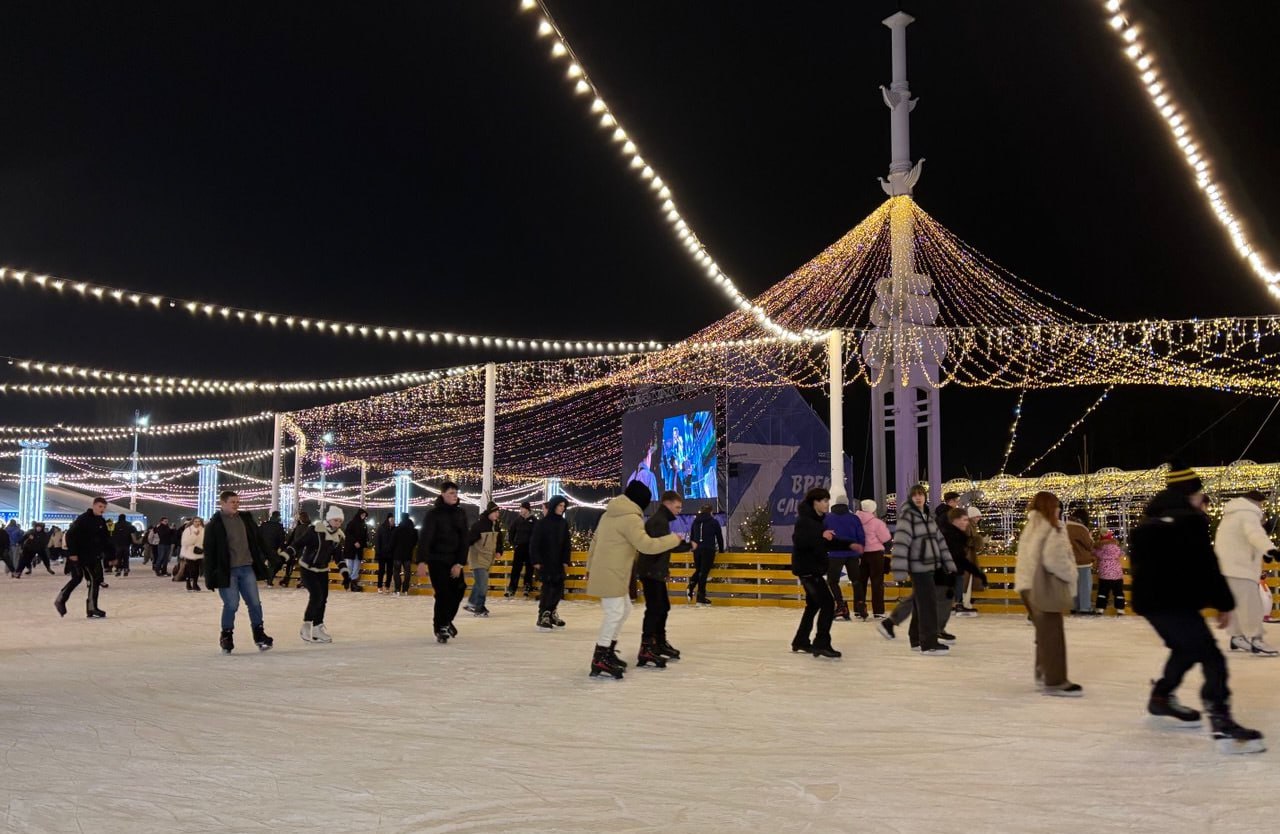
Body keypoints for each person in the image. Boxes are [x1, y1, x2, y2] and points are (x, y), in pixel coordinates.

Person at [1130, 463, 1264, 753]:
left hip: (1151, 605)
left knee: (1186, 649)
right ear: (1191, 493)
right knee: (1212, 658)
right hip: (1174, 604)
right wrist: (1223, 603)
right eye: (1201, 495)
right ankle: (1222, 722)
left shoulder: (1147, 522)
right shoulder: (1190, 522)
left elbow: (1148, 566)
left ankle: (1161, 698)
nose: (1202, 501)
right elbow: (1206, 567)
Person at [584, 481, 682, 679]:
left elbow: (595, 541)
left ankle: (608, 652)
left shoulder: (609, 514)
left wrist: (589, 566)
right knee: (615, 612)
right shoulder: (631, 518)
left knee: (624, 608)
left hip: (610, 571)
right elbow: (646, 545)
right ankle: (600, 656)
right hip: (612, 572)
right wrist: (674, 539)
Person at [1015, 491, 1081, 696]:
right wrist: (1071, 573)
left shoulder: (1031, 526)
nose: (1059, 509)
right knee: (1052, 633)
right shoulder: (1052, 527)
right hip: (1044, 586)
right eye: (1057, 505)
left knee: (1043, 632)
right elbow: (1054, 560)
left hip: (1026, 585)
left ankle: (1043, 672)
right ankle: (1055, 681)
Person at [880, 485, 956, 654]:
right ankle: (929, 643)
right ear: (910, 498)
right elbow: (900, 544)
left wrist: (949, 563)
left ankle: (915, 639)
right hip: (918, 567)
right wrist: (899, 571)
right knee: (928, 604)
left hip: (930, 566)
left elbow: (940, 542)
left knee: (920, 602)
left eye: (921, 494)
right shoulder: (908, 517)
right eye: (915, 495)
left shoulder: (927, 518)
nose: (918, 498)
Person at [202, 490, 273, 654]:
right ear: (223, 503)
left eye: (237, 502)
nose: (236, 504)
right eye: (232, 502)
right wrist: (210, 576)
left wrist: (270, 556)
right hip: (228, 571)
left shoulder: (245, 520)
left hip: (246, 567)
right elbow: (209, 552)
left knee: (255, 603)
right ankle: (226, 635)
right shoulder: (215, 525)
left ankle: (259, 634)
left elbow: (257, 541)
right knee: (232, 604)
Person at [1214, 490, 1280, 656]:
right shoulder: (1248, 513)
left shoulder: (1231, 515)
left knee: (1236, 605)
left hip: (1227, 567)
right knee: (1253, 606)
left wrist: (1263, 552)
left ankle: (1237, 637)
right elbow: (1254, 534)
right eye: (1261, 504)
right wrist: (1270, 549)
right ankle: (1256, 639)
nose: (1261, 507)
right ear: (1255, 502)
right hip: (1241, 568)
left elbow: (1242, 539)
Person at [638, 490, 692, 664]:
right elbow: (663, 546)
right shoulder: (659, 521)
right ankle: (647, 646)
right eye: (677, 507)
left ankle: (658, 642)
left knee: (662, 607)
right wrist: (688, 545)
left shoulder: (660, 520)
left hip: (655, 571)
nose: (679, 510)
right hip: (651, 572)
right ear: (667, 504)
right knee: (655, 608)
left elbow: (662, 547)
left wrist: (663, 570)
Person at [791, 487, 845, 658]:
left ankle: (801, 640)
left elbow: (823, 543)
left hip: (811, 570)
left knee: (813, 605)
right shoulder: (805, 521)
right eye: (824, 501)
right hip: (808, 571)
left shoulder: (816, 521)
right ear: (815, 502)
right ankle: (821, 642)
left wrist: (849, 544)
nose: (827, 504)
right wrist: (821, 535)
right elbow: (800, 542)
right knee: (828, 604)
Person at [419, 482, 469, 643]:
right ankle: (440, 626)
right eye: (451, 493)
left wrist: (460, 563)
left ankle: (446, 620)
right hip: (437, 560)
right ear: (442, 494)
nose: (454, 495)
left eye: (456, 493)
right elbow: (426, 538)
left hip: (454, 560)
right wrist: (421, 561)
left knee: (459, 590)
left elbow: (464, 540)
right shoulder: (433, 514)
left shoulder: (460, 514)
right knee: (443, 594)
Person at [297, 505, 352, 643]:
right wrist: (286, 554)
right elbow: (299, 543)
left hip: (322, 570)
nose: (338, 523)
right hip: (307, 568)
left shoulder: (337, 537)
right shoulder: (316, 530)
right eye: (335, 520)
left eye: (340, 521)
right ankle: (306, 625)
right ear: (329, 519)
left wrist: (345, 574)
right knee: (316, 596)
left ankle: (317, 628)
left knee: (323, 598)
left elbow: (338, 557)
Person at [54, 497, 113, 618]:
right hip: (82, 555)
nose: (102, 509)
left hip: (93, 556)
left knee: (79, 578)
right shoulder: (83, 519)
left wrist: (111, 555)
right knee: (93, 579)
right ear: (94, 505)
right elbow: (70, 535)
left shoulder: (101, 521)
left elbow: (105, 540)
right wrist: (73, 553)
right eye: (100, 506)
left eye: (104, 507)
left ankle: (62, 600)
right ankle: (90, 607)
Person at [939, 508, 988, 641]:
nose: (978, 519)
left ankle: (957, 606)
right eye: (976, 517)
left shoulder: (962, 529)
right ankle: (958, 605)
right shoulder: (952, 532)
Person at [532, 496, 571, 631]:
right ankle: (543, 614)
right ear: (554, 506)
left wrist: (566, 560)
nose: (562, 508)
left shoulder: (563, 523)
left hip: (558, 562)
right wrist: (536, 560)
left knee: (558, 588)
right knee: (548, 589)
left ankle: (552, 612)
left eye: (564, 506)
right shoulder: (542, 523)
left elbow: (567, 543)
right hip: (545, 561)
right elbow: (534, 543)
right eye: (560, 505)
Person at [823, 496, 865, 621]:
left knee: (833, 581)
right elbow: (861, 535)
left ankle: (841, 606)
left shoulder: (827, 518)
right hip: (852, 554)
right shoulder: (854, 518)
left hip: (835, 554)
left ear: (835, 503)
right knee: (856, 581)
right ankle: (860, 606)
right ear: (847, 504)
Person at [853, 500, 892, 620]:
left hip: (860, 554)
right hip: (875, 555)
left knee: (860, 582)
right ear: (873, 509)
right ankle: (878, 611)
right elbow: (886, 538)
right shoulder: (877, 522)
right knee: (877, 583)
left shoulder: (855, 520)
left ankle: (859, 610)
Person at [464, 502, 503, 617]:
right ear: (490, 513)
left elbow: (499, 539)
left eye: (498, 512)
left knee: (479, 583)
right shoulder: (479, 526)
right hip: (477, 558)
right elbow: (468, 541)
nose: (497, 514)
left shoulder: (495, 526)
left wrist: (499, 551)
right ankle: (479, 607)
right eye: (495, 512)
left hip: (487, 559)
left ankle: (472, 603)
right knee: (483, 584)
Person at [687, 504, 724, 605]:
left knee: (699, 570)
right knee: (703, 573)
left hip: (697, 550)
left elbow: (692, 537)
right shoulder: (713, 522)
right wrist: (721, 550)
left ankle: (691, 586)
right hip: (708, 550)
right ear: (710, 512)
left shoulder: (695, 522)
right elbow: (719, 537)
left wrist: (693, 548)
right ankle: (700, 597)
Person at [1066, 508, 1097, 615]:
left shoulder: (1065, 527)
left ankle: (1074, 607)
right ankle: (1085, 608)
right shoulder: (1081, 529)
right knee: (1084, 585)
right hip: (1083, 562)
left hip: (1069, 561)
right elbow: (1088, 545)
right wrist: (1090, 538)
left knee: (1073, 586)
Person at [505, 501, 537, 598]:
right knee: (516, 568)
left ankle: (527, 586)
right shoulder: (517, 520)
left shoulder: (534, 520)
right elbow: (511, 531)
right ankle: (512, 588)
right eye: (521, 508)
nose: (521, 510)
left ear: (527, 509)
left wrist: (534, 545)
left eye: (522, 508)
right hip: (519, 547)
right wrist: (513, 543)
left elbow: (537, 534)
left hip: (530, 548)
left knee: (529, 568)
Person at [1093, 531, 1126, 615]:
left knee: (1102, 592)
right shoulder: (1116, 547)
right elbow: (1122, 553)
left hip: (1104, 575)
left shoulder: (1100, 548)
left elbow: (1094, 553)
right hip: (1117, 575)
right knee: (1118, 592)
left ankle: (1100, 608)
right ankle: (1120, 609)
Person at [279, 511, 312, 589]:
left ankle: (286, 579)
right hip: (307, 551)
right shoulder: (310, 527)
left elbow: (295, 540)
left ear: (300, 519)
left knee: (290, 563)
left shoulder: (299, 528)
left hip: (298, 550)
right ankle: (304, 581)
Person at [342, 508, 369, 592]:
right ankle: (347, 582)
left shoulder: (364, 525)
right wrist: (354, 542)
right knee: (349, 566)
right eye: (362, 515)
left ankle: (353, 584)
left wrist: (364, 545)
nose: (363, 517)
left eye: (364, 516)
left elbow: (365, 537)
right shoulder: (352, 523)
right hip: (351, 549)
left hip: (359, 550)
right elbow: (347, 534)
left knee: (356, 567)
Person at [390, 513, 417, 596]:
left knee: (396, 572)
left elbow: (392, 542)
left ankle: (397, 589)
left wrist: (393, 550)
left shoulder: (397, 529)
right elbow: (415, 542)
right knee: (407, 572)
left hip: (397, 554)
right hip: (408, 554)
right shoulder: (413, 530)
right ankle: (405, 590)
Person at [259, 511, 287, 587]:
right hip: (273, 549)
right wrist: (281, 547)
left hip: (263, 547)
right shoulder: (279, 526)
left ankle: (267, 577)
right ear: (278, 517)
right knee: (276, 563)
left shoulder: (264, 525)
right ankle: (269, 580)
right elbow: (282, 539)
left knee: (268, 563)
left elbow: (258, 535)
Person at [179, 517, 205, 592]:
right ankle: (188, 582)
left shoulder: (203, 530)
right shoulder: (188, 530)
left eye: (199, 521)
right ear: (193, 522)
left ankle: (195, 584)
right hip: (189, 552)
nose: (197, 523)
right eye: (196, 521)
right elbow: (185, 542)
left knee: (196, 569)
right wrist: (195, 536)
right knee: (191, 568)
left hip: (199, 551)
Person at [374, 512, 396, 594]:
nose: (393, 522)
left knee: (390, 571)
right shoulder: (381, 528)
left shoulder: (395, 529)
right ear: (388, 520)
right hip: (382, 554)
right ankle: (379, 586)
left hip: (391, 554)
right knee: (381, 571)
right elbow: (377, 541)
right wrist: (378, 552)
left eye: (393, 520)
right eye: (391, 520)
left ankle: (387, 586)